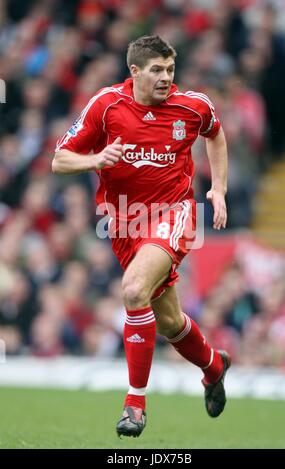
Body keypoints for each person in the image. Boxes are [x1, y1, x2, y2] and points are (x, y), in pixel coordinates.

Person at [53, 35, 230, 438]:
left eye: (170, 69)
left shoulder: (194, 106)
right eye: (156, 70)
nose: (166, 77)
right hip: (126, 225)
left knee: (133, 290)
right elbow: (59, 159)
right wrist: (96, 159)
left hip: (176, 213)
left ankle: (134, 405)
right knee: (168, 323)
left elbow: (216, 135)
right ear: (134, 72)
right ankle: (214, 367)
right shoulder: (107, 105)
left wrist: (218, 189)